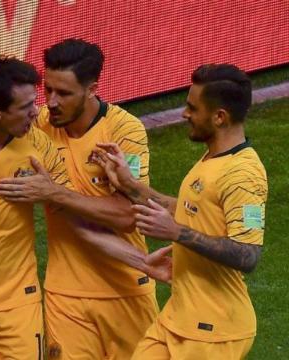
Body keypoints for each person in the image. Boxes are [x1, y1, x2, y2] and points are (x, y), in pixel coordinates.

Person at [0, 56, 169, 360]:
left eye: (36, 102)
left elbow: (75, 221)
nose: (39, 111)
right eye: (28, 106)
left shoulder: (40, 146)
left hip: (20, 301)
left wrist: (142, 261)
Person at [95, 64, 266, 359]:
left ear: (219, 117)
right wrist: (129, 185)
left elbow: (248, 254)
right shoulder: (214, 158)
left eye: (192, 108)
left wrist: (176, 233)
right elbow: (188, 209)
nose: (184, 114)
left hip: (214, 332)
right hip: (177, 317)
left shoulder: (243, 174)